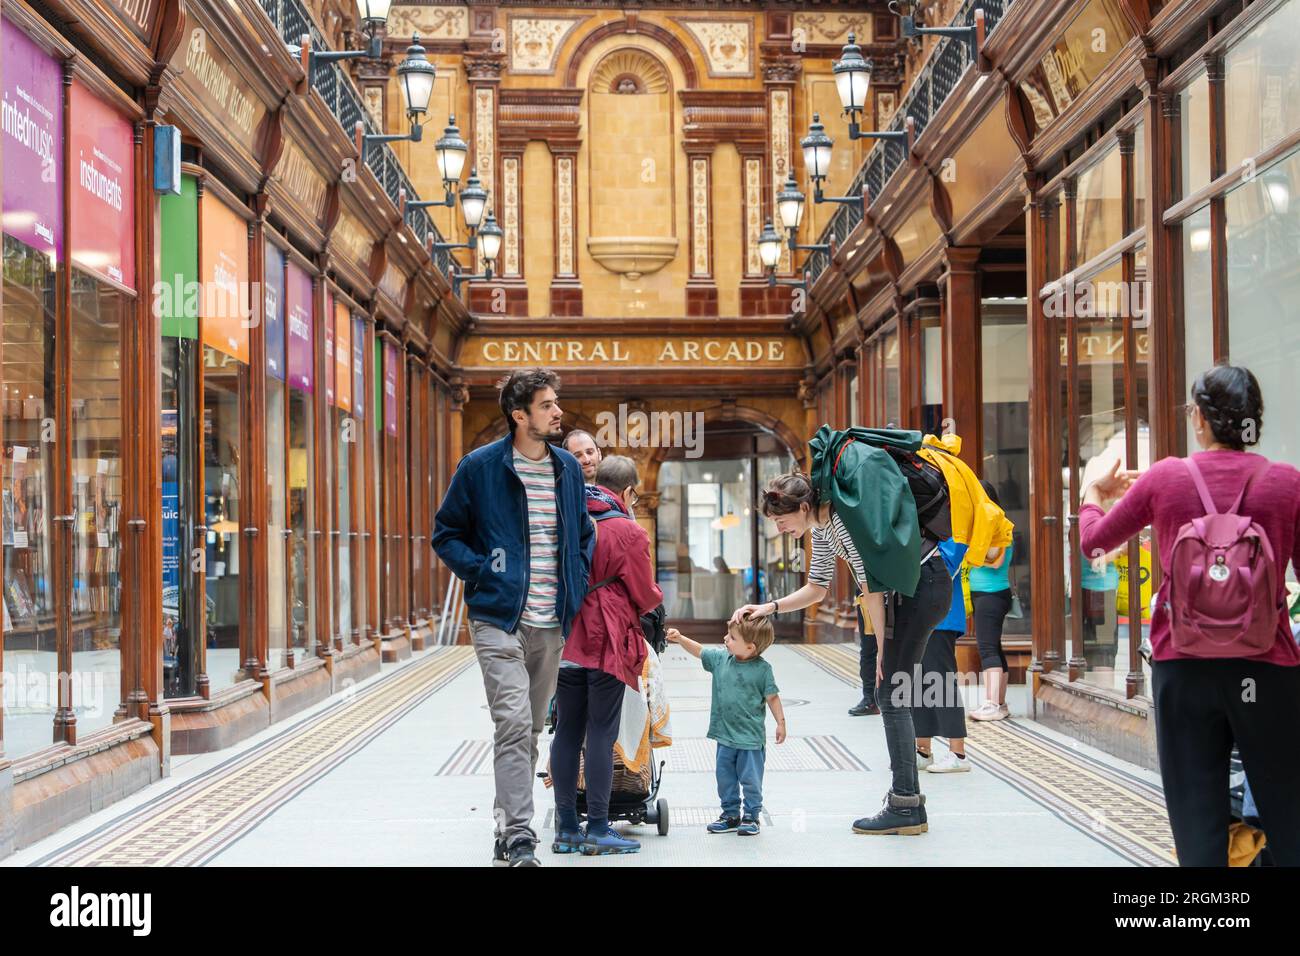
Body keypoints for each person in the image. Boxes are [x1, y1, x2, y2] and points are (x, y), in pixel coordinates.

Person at [1079, 364, 1300, 866]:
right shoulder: (1287, 483)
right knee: (1288, 813)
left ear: (1198, 419)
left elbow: (1094, 540)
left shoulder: (1167, 478)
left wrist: (1095, 493)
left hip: (1184, 668)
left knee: (1197, 822)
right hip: (1267, 671)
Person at [432, 368, 594, 868]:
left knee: (528, 732)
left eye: (555, 403)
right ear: (519, 415)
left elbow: (583, 533)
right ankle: (521, 835)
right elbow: (446, 533)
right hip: (498, 618)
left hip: (551, 623)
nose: (557, 412)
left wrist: (577, 579)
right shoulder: (480, 467)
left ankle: (507, 820)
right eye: (547, 405)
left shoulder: (566, 467)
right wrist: (483, 571)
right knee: (513, 721)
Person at [734, 471, 952, 836]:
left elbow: (870, 588)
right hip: (914, 591)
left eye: (783, 521)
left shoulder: (842, 520)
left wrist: (882, 647)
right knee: (892, 694)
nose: (781, 529)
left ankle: (905, 804)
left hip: (924, 588)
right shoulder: (820, 528)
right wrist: (768, 607)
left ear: (804, 507)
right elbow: (817, 588)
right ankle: (908, 800)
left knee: (891, 695)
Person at [550, 456, 662, 857]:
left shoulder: (567, 515)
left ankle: (565, 827)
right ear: (629, 492)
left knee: (566, 729)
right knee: (601, 730)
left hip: (563, 636)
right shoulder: (627, 530)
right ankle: (598, 826)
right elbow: (646, 594)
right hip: (604, 639)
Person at [667, 616, 785, 835]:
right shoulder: (722, 659)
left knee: (751, 780)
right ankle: (730, 814)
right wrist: (680, 638)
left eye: (732, 637)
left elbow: (773, 697)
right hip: (724, 737)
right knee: (725, 779)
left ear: (750, 647)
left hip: (750, 740)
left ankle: (751, 816)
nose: (725, 639)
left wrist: (781, 723)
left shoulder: (762, 670)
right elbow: (700, 651)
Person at [914, 538, 970, 772]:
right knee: (917, 681)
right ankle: (922, 750)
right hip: (917, 612)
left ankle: (958, 753)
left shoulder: (954, 522)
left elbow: (947, 564)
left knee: (941, 680)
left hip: (942, 614)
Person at [968, 480, 1014, 721]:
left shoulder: (996, 525)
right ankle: (1000, 703)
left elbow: (995, 560)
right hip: (989, 595)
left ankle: (991, 704)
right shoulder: (991, 525)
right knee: (994, 647)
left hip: (991, 595)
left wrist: (969, 550)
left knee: (986, 648)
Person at [848, 604, 880, 716]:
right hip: (865, 598)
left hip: (895, 597)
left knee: (893, 649)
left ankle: (896, 698)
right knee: (868, 648)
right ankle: (870, 699)